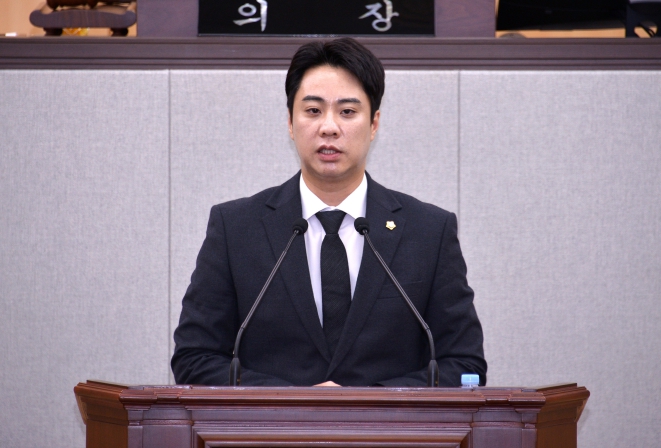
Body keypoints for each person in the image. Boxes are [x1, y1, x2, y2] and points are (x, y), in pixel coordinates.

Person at [171, 37, 486, 387]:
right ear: (290, 123)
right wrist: (297, 401)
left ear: (374, 124)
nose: (329, 127)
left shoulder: (429, 231)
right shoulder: (236, 229)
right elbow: (194, 359)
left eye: (347, 112)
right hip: (273, 423)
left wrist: (366, 403)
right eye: (313, 111)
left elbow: (464, 364)